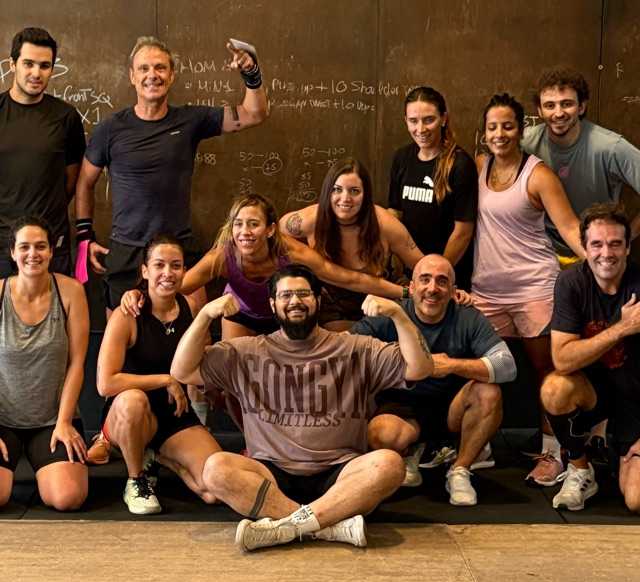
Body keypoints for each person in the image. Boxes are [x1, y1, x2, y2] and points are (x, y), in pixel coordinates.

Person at [170, 264, 433, 551]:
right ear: (273, 304)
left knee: (389, 464)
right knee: (215, 469)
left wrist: (398, 315)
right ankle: (327, 527)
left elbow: (420, 368)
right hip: (271, 474)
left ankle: (286, 527)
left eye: (303, 294)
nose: (295, 301)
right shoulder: (246, 351)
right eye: (285, 295)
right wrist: (205, 316)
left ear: (318, 300)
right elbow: (182, 371)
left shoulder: (356, 348)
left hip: (340, 473)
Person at [75, 35, 269, 309]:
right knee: (121, 331)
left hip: (178, 247)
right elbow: (85, 182)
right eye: (144, 68)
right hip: (126, 250)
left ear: (172, 75)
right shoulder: (110, 129)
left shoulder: (191, 120)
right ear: (132, 76)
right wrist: (84, 236)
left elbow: (254, 113)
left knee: (194, 331)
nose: (152, 75)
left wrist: (251, 73)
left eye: (160, 68)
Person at [473, 93, 584, 486]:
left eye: (508, 126)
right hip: (486, 291)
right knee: (480, 371)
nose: (499, 134)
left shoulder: (538, 175)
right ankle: (476, 446)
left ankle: (553, 453)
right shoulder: (479, 167)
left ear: (521, 130)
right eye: (492, 127)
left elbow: (569, 227)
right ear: (484, 132)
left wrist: (603, 264)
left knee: (547, 372)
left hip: (534, 287)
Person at [121, 193, 409, 340]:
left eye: (253, 224)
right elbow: (175, 284)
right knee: (232, 380)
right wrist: (138, 294)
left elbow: (348, 279)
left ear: (270, 229)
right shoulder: (222, 256)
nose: (245, 232)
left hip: (284, 316)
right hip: (241, 315)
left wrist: (404, 293)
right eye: (239, 224)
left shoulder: (291, 252)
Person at [352, 254, 516, 504]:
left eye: (442, 281)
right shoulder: (390, 313)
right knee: (382, 433)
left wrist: (450, 365)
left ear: (453, 290)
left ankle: (460, 470)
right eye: (425, 279)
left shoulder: (467, 316)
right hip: (402, 409)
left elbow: (507, 366)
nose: (432, 288)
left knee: (488, 392)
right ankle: (410, 453)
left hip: (452, 409)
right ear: (411, 287)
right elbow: (345, 352)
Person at [95, 234, 222, 514]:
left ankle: (158, 456)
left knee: (213, 489)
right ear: (145, 271)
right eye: (159, 265)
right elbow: (105, 384)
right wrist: (166, 380)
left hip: (173, 414)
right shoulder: (127, 313)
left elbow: (200, 363)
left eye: (175, 266)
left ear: (184, 271)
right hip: (129, 413)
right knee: (133, 400)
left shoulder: (190, 308)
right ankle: (136, 479)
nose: (168, 272)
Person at [541, 203, 640, 512]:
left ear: (627, 247)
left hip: (635, 399)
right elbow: (562, 359)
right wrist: (622, 328)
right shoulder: (571, 282)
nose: (605, 253)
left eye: (615, 244)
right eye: (597, 244)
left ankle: (614, 450)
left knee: (636, 500)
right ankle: (580, 468)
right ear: (584, 248)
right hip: (593, 393)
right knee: (554, 389)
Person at [0, 217, 89, 510]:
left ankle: (46, 472)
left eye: (40, 246)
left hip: (53, 420)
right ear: (13, 252)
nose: (32, 254)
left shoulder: (71, 291)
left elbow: (77, 363)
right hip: (3, 420)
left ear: (51, 251)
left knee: (67, 498)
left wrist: (64, 422)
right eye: (24, 247)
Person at [280, 158, 424, 330]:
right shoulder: (308, 220)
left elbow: (424, 266)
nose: (345, 198)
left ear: (366, 195)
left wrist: (425, 290)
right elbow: (274, 232)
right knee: (342, 340)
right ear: (327, 192)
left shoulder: (386, 225)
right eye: (337, 190)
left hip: (382, 297)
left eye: (354, 191)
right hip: (333, 304)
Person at [522, 67, 640, 263]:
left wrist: (628, 237)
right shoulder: (525, 143)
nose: (558, 113)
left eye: (567, 104)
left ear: (582, 107)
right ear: (539, 111)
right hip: (541, 255)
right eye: (550, 105)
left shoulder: (610, 147)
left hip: (596, 256)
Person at [0, 28, 86, 277]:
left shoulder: (66, 117)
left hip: (51, 246)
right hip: (2, 246)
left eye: (45, 66)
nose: (36, 73)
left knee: (56, 303)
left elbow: (72, 180)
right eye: (28, 64)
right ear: (12, 64)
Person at [388, 87, 478, 289]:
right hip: (409, 278)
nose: (421, 129)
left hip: (446, 279)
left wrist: (434, 277)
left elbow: (463, 232)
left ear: (443, 119)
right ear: (406, 121)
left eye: (429, 120)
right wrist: (399, 265)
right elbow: (394, 214)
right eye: (413, 121)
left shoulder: (460, 165)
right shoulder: (401, 158)